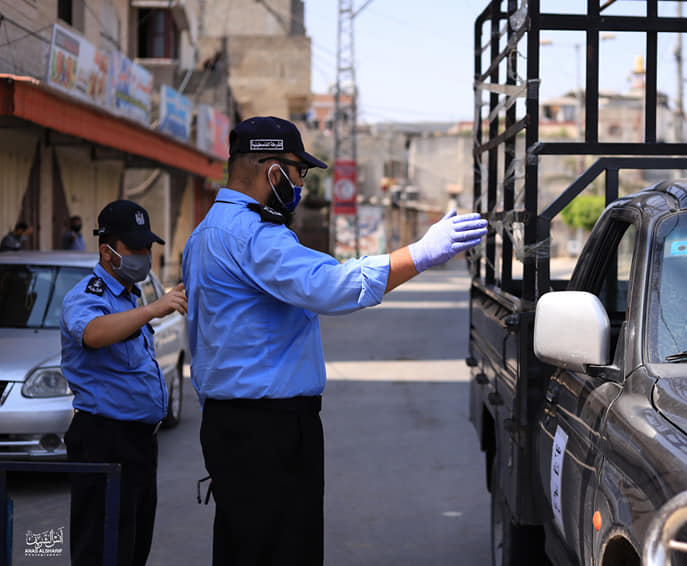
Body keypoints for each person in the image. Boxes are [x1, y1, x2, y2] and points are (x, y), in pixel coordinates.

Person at [182, 116, 487, 566]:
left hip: (231, 425)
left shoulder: (205, 233)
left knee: (242, 547)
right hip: (268, 431)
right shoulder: (252, 235)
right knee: (283, 551)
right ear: (271, 168)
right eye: (297, 170)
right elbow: (332, 286)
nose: (300, 182)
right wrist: (419, 255)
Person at [59, 200, 188, 566]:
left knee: (132, 546)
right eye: (136, 248)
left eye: (148, 248)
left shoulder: (130, 296)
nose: (145, 256)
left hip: (139, 442)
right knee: (101, 550)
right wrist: (151, 310)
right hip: (103, 439)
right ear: (108, 251)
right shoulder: (88, 295)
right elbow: (93, 334)